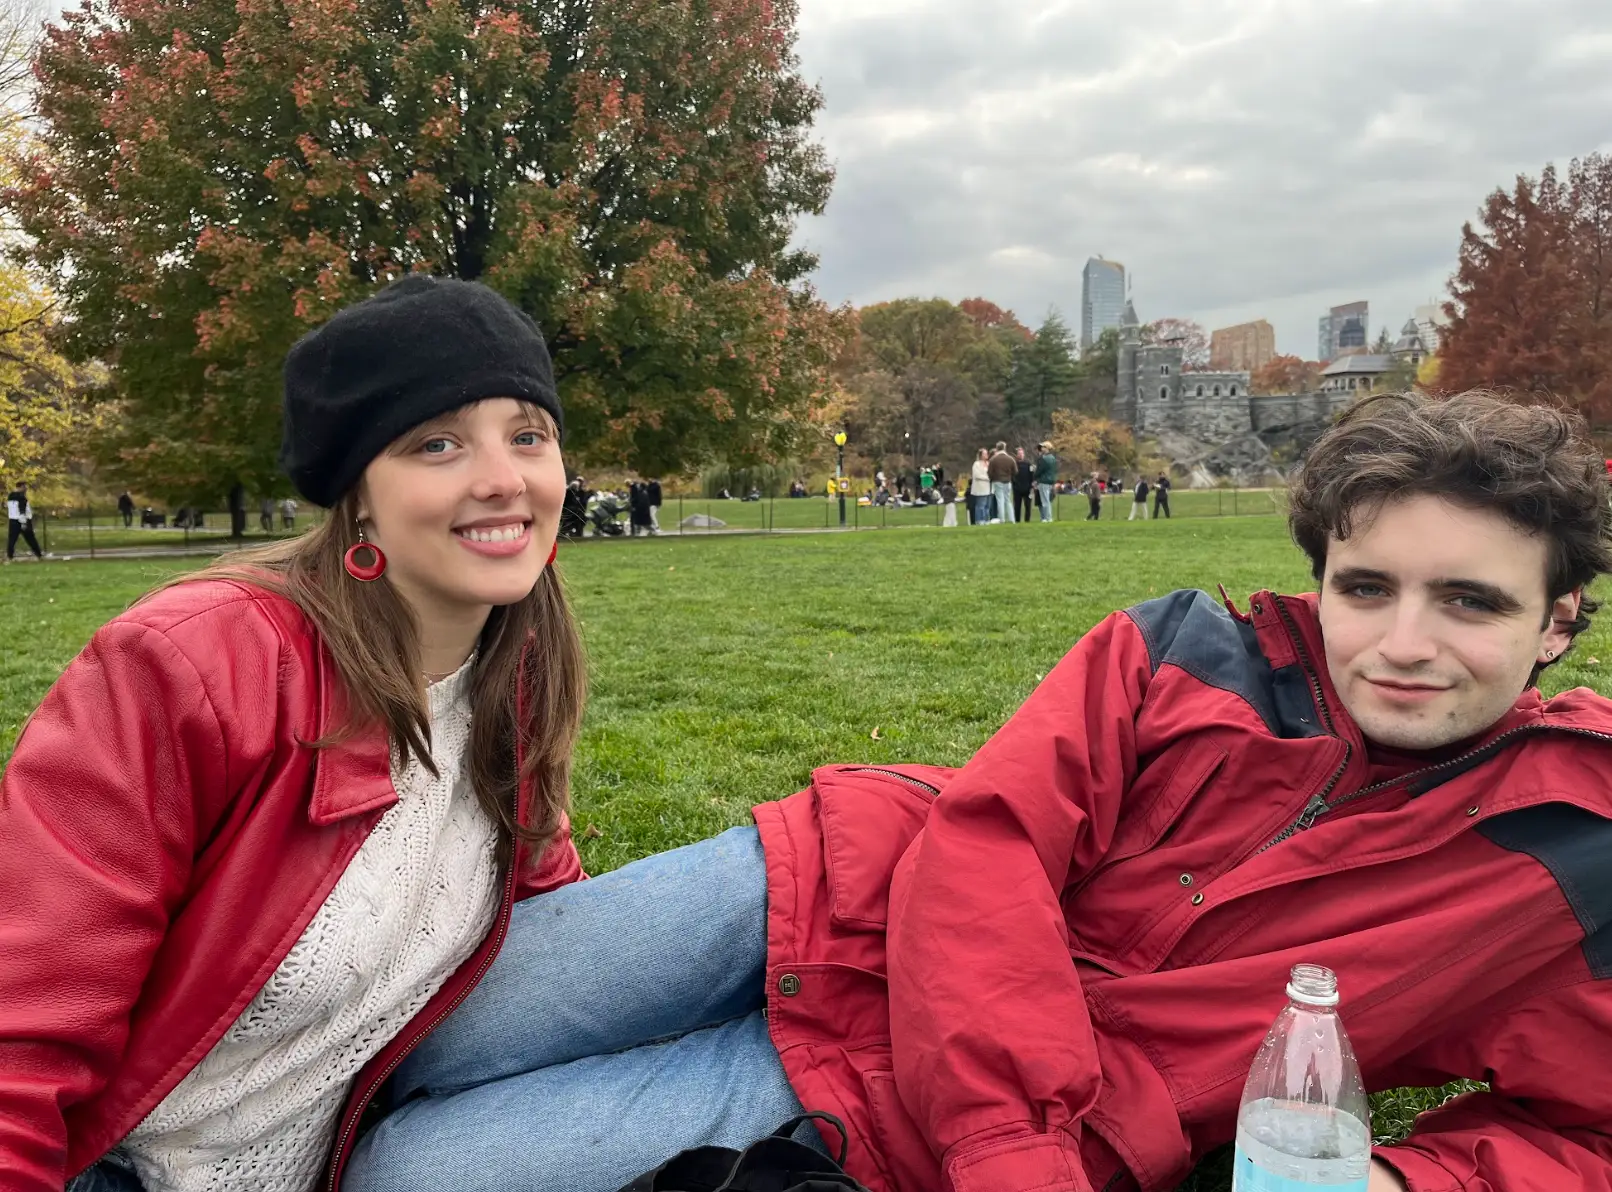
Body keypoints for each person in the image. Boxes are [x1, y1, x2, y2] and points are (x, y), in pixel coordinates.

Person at [329, 389, 1612, 1192]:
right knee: (396, 1024)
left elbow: (1583, 1133)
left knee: (405, 1167)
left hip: (911, 1091)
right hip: (833, 890)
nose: (1401, 643)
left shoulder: (1579, 845)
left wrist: (1397, 1177)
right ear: (1320, 574)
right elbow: (984, 849)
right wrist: (1014, 1159)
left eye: (1469, 602)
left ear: (1558, 621)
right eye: (1366, 587)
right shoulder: (1186, 649)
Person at [4, 275, 590, 1192]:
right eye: (436, 443)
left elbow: (558, 915)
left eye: (528, 435)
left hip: (377, 1136)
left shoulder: (513, 666)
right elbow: (21, 1028)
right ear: (357, 497)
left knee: (769, 927)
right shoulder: (191, 664)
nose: (502, 479)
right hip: (143, 1171)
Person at [6, 479, 44, 562]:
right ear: (21, 487)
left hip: (13, 520)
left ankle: (10, 556)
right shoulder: (21, 497)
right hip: (22, 520)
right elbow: (22, 509)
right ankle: (39, 555)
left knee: (12, 539)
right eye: (25, 487)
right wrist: (24, 522)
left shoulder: (10, 496)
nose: (26, 489)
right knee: (30, 538)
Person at [988, 440, 1016, 523]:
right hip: (1007, 481)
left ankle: (1002, 519)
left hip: (997, 481)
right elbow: (1015, 471)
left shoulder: (993, 459)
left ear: (997, 448)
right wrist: (1009, 475)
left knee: (1000, 500)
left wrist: (993, 478)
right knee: (1008, 500)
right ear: (1004, 448)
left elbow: (989, 472)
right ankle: (1012, 519)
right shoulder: (1010, 459)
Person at [1035, 441, 1058, 522]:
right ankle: (1048, 517)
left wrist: (1035, 476)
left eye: (1043, 447)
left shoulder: (1044, 459)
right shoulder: (1053, 458)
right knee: (1047, 500)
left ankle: (1047, 518)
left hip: (1044, 481)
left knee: (1045, 501)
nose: (1042, 448)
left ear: (1047, 448)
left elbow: (1039, 471)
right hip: (1051, 481)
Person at [968, 447, 992, 525]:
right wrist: (987, 478)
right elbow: (976, 475)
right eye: (984, 454)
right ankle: (979, 520)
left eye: (987, 453)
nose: (986, 455)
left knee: (987, 506)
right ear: (981, 455)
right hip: (980, 488)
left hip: (989, 488)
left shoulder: (988, 463)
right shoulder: (976, 464)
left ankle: (986, 520)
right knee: (980, 505)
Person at [1012, 447, 1034, 524]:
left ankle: (1027, 521)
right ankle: (1017, 520)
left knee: (1028, 506)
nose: (1021, 455)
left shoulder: (1029, 464)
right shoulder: (1014, 464)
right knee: (1017, 506)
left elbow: (1032, 475)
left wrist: (1032, 486)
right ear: (1016, 455)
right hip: (1017, 489)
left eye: (1022, 454)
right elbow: (1012, 476)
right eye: (1019, 454)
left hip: (1027, 488)